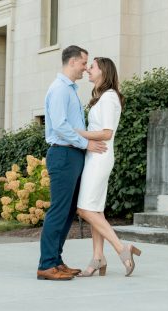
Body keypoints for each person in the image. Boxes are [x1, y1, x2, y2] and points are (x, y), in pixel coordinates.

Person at [37, 45, 108, 281]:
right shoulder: (59, 90)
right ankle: (46, 264)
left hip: (72, 155)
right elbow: (59, 126)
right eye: (83, 63)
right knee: (59, 210)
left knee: (68, 211)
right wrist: (85, 144)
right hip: (63, 154)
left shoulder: (70, 90)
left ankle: (56, 261)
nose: (85, 67)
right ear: (72, 62)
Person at [74, 57, 142, 277]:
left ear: (103, 71)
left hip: (100, 157)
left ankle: (122, 248)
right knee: (95, 209)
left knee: (84, 209)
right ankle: (98, 257)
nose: (87, 70)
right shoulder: (102, 97)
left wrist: (77, 133)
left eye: (91, 67)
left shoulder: (110, 98)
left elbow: (107, 132)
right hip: (94, 156)